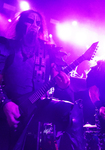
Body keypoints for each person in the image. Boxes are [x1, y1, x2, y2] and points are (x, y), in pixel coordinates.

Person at [0, 10, 80, 150]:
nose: (34, 25)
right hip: (12, 106)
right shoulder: (7, 46)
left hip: (37, 104)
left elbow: (58, 77)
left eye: (38, 23)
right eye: (30, 21)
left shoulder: (48, 51)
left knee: (71, 110)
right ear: (20, 24)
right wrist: (5, 103)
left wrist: (63, 84)